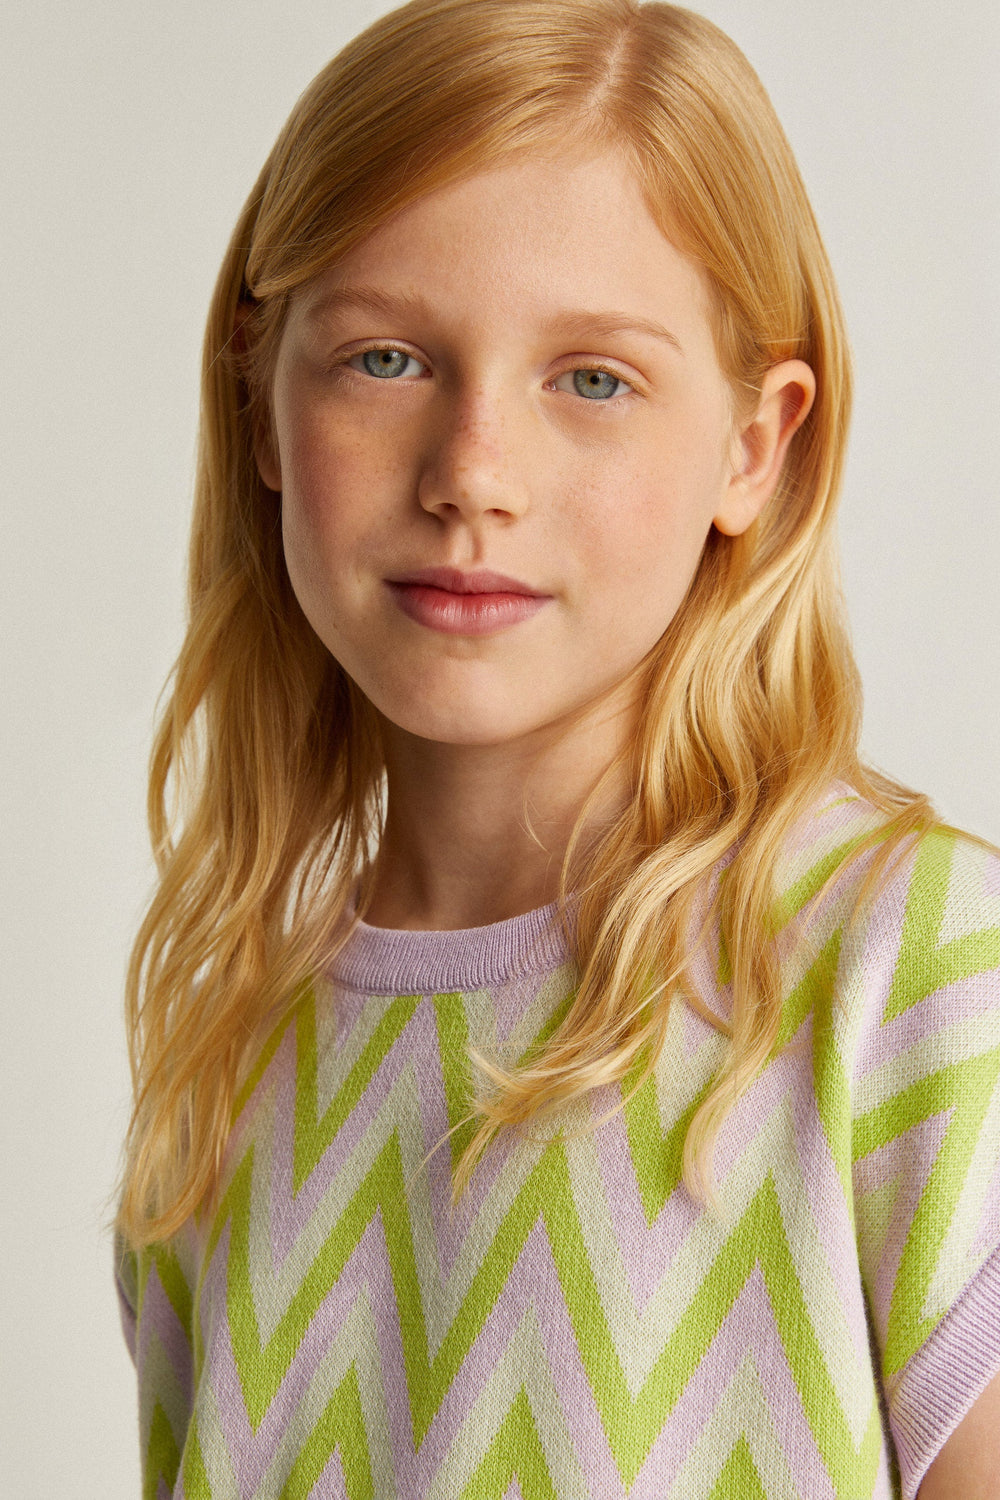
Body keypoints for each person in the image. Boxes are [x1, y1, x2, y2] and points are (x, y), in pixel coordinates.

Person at [112, 1, 1000, 1495]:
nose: (474, 476)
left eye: (592, 379)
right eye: (385, 359)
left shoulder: (911, 977)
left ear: (754, 446)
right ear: (260, 401)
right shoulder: (230, 1056)